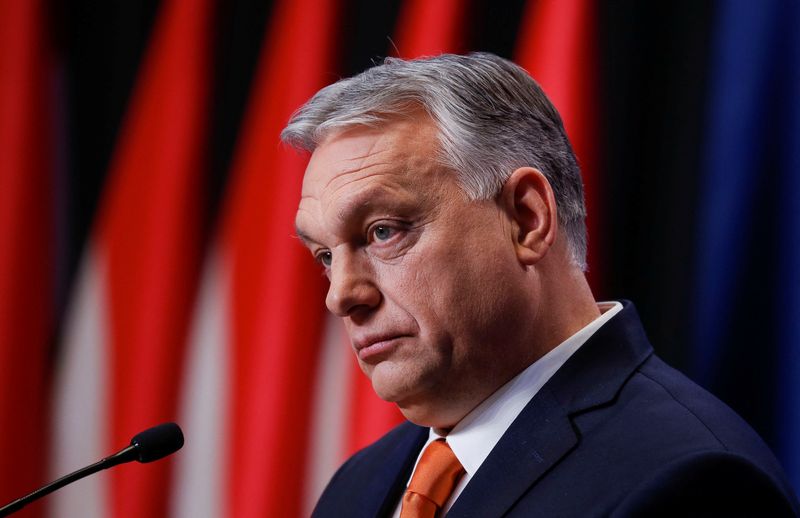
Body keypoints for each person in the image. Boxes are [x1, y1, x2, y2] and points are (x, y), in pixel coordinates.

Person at [282, 53, 799, 517]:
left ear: (526, 219)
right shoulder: (358, 486)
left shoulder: (690, 484)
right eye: (326, 256)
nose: (341, 295)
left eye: (383, 231)